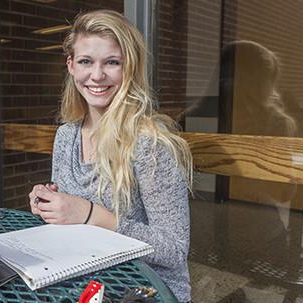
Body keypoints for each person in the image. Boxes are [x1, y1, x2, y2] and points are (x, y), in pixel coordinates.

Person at [28, 10, 193, 302]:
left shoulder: (149, 143)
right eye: (86, 62)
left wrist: (92, 215)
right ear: (71, 66)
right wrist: (49, 204)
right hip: (84, 280)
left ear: (129, 68)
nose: (97, 75)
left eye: (112, 62)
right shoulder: (66, 136)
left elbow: (175, 249)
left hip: (145, 290)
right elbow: (69, 217)